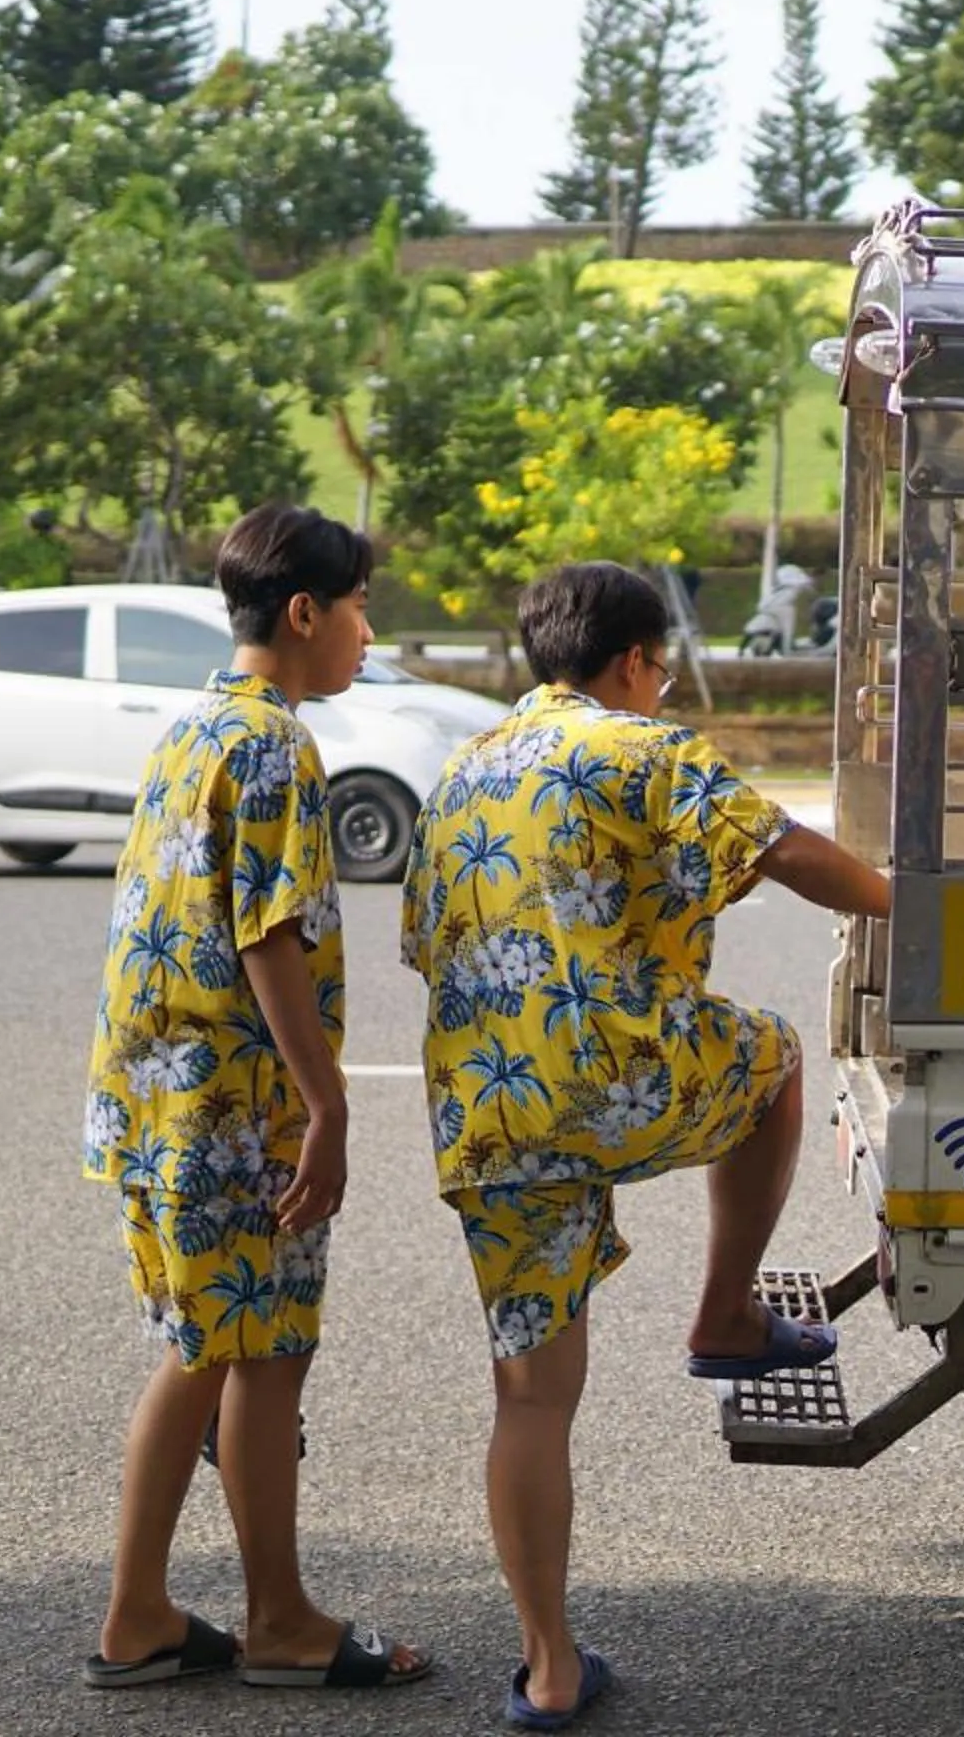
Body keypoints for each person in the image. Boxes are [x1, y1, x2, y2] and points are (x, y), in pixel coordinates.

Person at [399, 562, 891, 1731]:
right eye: (660, 667)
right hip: (609, 1075)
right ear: (632, 662)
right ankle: (724, 1315)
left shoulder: (464, 771)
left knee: (530, 1395)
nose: (662, 687)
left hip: (487, 1111)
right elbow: (782, 849)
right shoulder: (638, 746)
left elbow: (425, 939)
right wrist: (906, 900)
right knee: (769, 1059)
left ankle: (550, 1667)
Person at [81, 503, 433, 1693]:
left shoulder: (190, 730)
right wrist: (326, 1106)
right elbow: (270, 931)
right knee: (259, 1352)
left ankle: (139, 1612)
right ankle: (278, 1619)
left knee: (202, 1349)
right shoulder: (276, 745)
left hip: (155, 1100)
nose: (366, 630)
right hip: (236, 1111)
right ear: (303, 611)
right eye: (359, 604)